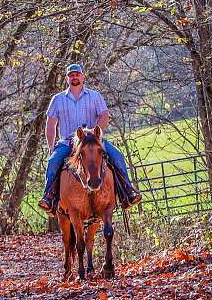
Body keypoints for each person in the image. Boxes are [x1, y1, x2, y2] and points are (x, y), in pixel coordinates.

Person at [38, 63, 142, 212]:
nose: (74, 77)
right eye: (71, 75)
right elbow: (51, 124)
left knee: (117, 156)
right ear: (67, 78)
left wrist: (96, 131)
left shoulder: (94, 96)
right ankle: (49, 197)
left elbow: (105, 115)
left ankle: (128, 191)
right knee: (53, 161)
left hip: (93, 142)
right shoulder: (57, 99)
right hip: (67, 143)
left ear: (83, 76)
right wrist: (51, 147)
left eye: (77, 74)